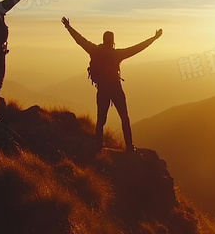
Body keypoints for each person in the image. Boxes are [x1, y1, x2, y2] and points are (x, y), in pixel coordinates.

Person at [61, 17, 162, 151]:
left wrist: (68, 27)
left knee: (101, 119)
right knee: (124, 118)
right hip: (116, 88)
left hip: (102, 90)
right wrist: (154, 38)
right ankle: (129, 146)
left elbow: (80, 40)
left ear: (103, 40)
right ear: (113, 41)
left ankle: (98, 145)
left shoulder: (94, 50)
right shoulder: (117, 54)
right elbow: (137, 48)